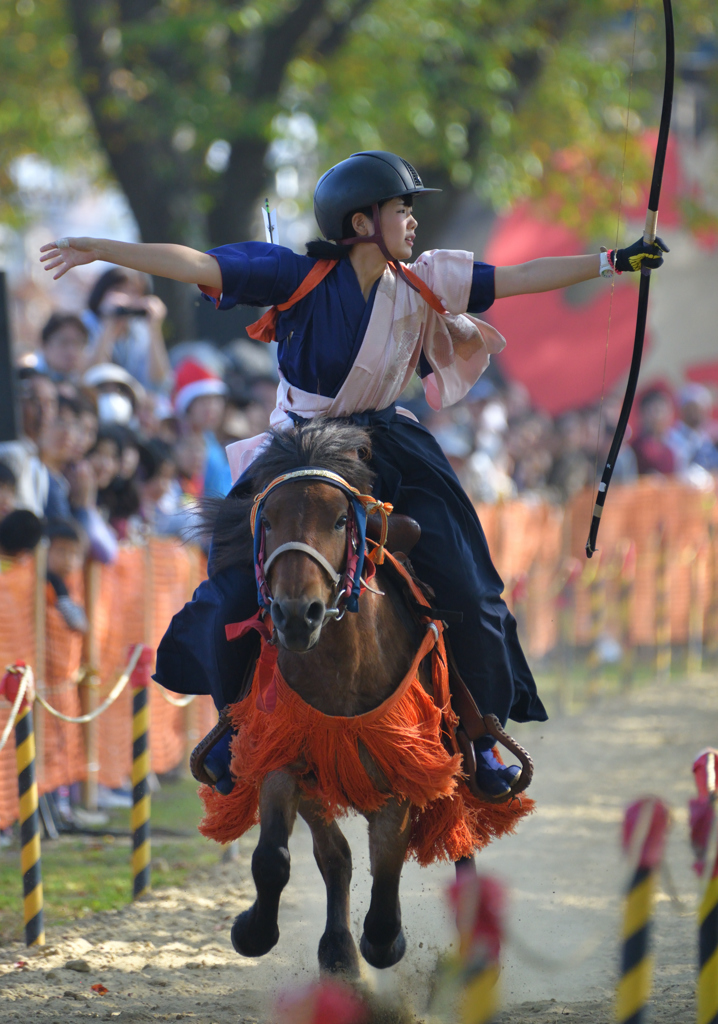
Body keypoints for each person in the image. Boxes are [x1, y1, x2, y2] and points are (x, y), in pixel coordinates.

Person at [40, 149, 669, 796]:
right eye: (403, 209)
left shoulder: (424, 279)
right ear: (363, 221)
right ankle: (236, 728)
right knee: (229, 589)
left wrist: (613, 262)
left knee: (474, 588)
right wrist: (102, 248)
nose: (413, 222)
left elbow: (518, 277)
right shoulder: (293, 274)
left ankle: (481, 739)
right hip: (301, 446)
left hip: (387, 444)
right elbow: (197, 263)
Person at [83, 267, 171, 392]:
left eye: (134, 292)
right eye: (118, 290)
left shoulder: (140, 330)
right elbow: (90, 376)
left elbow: (159, 381)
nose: (126, 299)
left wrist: (154, 328)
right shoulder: (84, 324)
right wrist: (109, 325)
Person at [173, 359, 233, 498]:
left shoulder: (211, 440)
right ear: (188, 407)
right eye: (204, 401)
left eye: (216, 400)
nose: (212, 408)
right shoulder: (179, 445)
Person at [0, 370, 55, 517]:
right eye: (35, 401)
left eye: (50, 403)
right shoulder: (10, 453)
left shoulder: (37, 458)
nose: (44, 411)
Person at [45, 518, 88, 633]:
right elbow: (77, 623)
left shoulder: (75, 583)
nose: (69, 560)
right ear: (46, 551)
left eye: (75, 553)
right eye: (61, 551)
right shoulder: (43, 583)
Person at [666, 383, 718, 474]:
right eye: (692, 408)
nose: (696, 413)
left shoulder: (710, 439)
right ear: (683, 409)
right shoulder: (670, 438)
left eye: (700, 408)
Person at [631, 388, 676, 476]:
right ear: (642, 414)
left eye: (665, 411)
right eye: (657, 411)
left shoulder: (673, 447)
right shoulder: (636, 448)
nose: (661, 416)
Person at [35, 313, 89, 384]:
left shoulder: (80, 382)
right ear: (44, 345)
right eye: (64, 343)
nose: (71, 351)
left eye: (77, 343)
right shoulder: (26, 382)